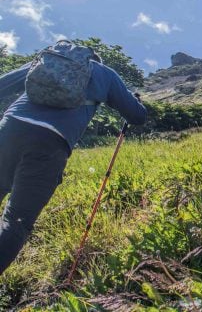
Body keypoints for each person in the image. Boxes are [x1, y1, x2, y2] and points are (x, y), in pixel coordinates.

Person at [0, 41, 146, 276]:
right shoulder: (105, 74)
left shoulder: (46, 60)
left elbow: (3, 85)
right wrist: (136, 102)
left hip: (10, 128)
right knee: (17, 220)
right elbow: (137, 116)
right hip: (51, 141)